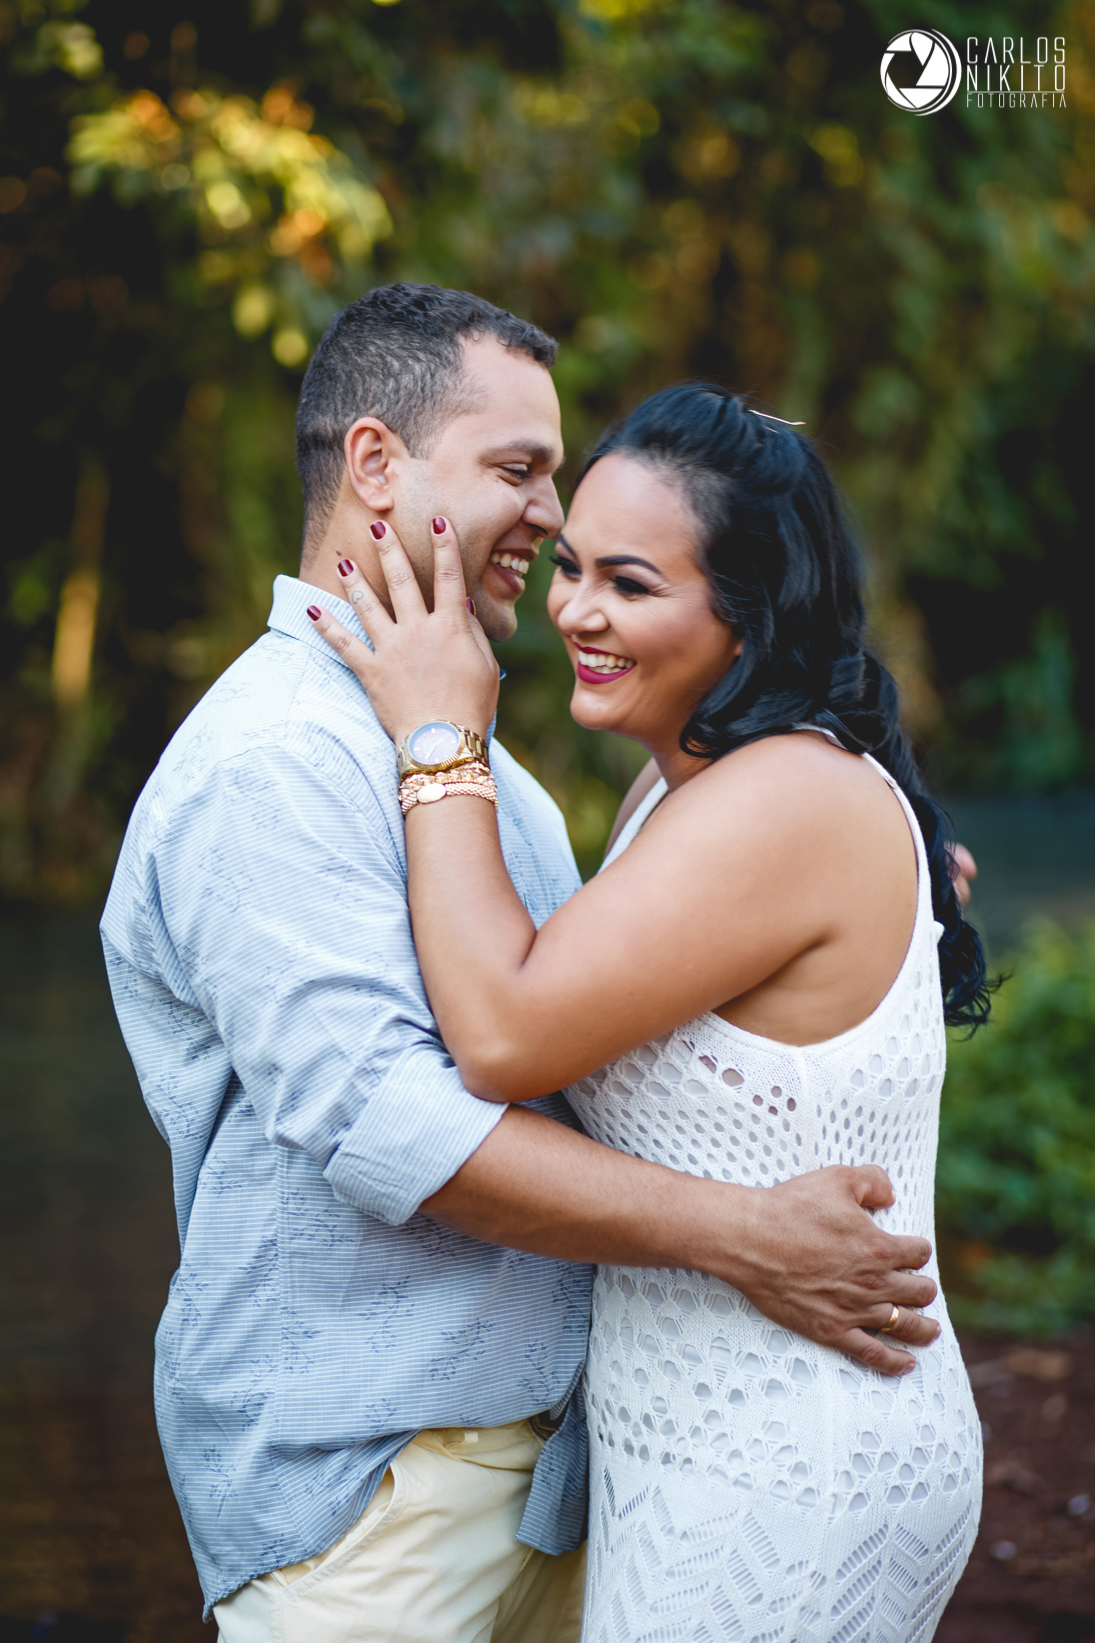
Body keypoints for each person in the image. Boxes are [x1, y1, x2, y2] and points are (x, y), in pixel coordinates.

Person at [103, 283, 942, 1643]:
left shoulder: (480, 758)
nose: (551, 516)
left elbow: (642, 1012)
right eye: (519, 470)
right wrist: (741, 1233)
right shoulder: (273, 766)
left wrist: (863, 878)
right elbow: (403, 1127)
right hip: (378, 1497)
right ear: (376, 464)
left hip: (568, 1479)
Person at [308, 378, 989, 1641]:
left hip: (788, 1457)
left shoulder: (780, 796)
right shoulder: (690, 789)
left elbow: (502, 1034)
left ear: (748, 615)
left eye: (629, 583)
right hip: (712, 1440)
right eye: (572, 567)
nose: (574, 609)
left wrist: (439, 736)